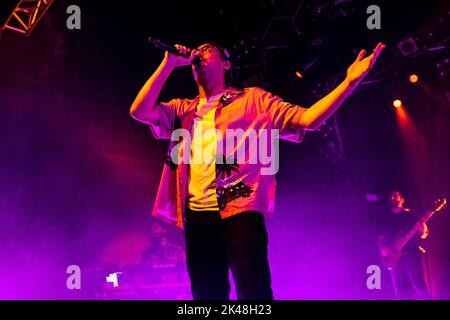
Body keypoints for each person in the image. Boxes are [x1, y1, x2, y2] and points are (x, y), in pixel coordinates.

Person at [130, 40, 385, 300]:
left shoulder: (254, 100)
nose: (201, 54)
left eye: (209, 50)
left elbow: (309, 119)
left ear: (226, 63)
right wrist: (168, 64)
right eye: (199, 51)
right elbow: (139, 111)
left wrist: (349, 83)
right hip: (197, 216)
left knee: (254, 294)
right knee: (206, 296)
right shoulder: (183, 109)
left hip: (240, 208)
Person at [377, 191, 431, 299]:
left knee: (419, 285)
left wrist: (424, 230)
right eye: (391, 196)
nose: (393, 197)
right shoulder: (385, 219)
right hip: (394, 260)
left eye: (395, 195)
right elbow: (380, 239)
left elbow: (425, 234)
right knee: (400, 292)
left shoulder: (411, 215)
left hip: (411, 255)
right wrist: (384, 250)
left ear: (402, 200)